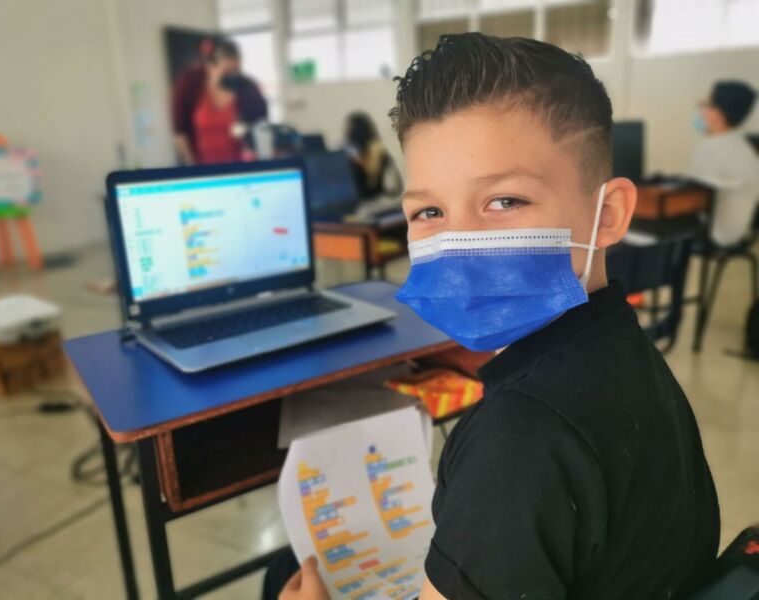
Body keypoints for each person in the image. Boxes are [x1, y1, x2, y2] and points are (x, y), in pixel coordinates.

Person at [274, 33, 720, 600]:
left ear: (608, 214)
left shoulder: (518, 440)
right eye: (429, 211)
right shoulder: (622, 349)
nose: (459, 243)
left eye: (505, 201)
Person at [171, 36, 267, 165]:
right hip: (202, 167)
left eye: (235, 70)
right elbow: (180, 130)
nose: (231, 76)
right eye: (226, 70)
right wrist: (192, 167)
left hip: (238, 166)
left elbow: (260, 125)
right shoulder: (190, 85)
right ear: (211, 66)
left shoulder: (247, 89)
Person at [691, 80, 759, 247]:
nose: (702, 111)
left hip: (717, 233)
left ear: (718, 113)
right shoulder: (742, 146)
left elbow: (694, 194)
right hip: (739, 231)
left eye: (706, 105)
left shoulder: (712, 147)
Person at [344, 111, 402, 198]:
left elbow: (372, 169)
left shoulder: (374, 147)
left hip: (373, 194)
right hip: (373, 195)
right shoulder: (373, 146)